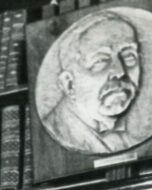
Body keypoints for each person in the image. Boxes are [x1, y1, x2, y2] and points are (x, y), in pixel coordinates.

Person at [42, 10, 143, 155]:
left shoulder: (126, 136)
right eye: (101, 61)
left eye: (128, 56)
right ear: (69, 83)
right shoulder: (59, 133)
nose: (120, 72)